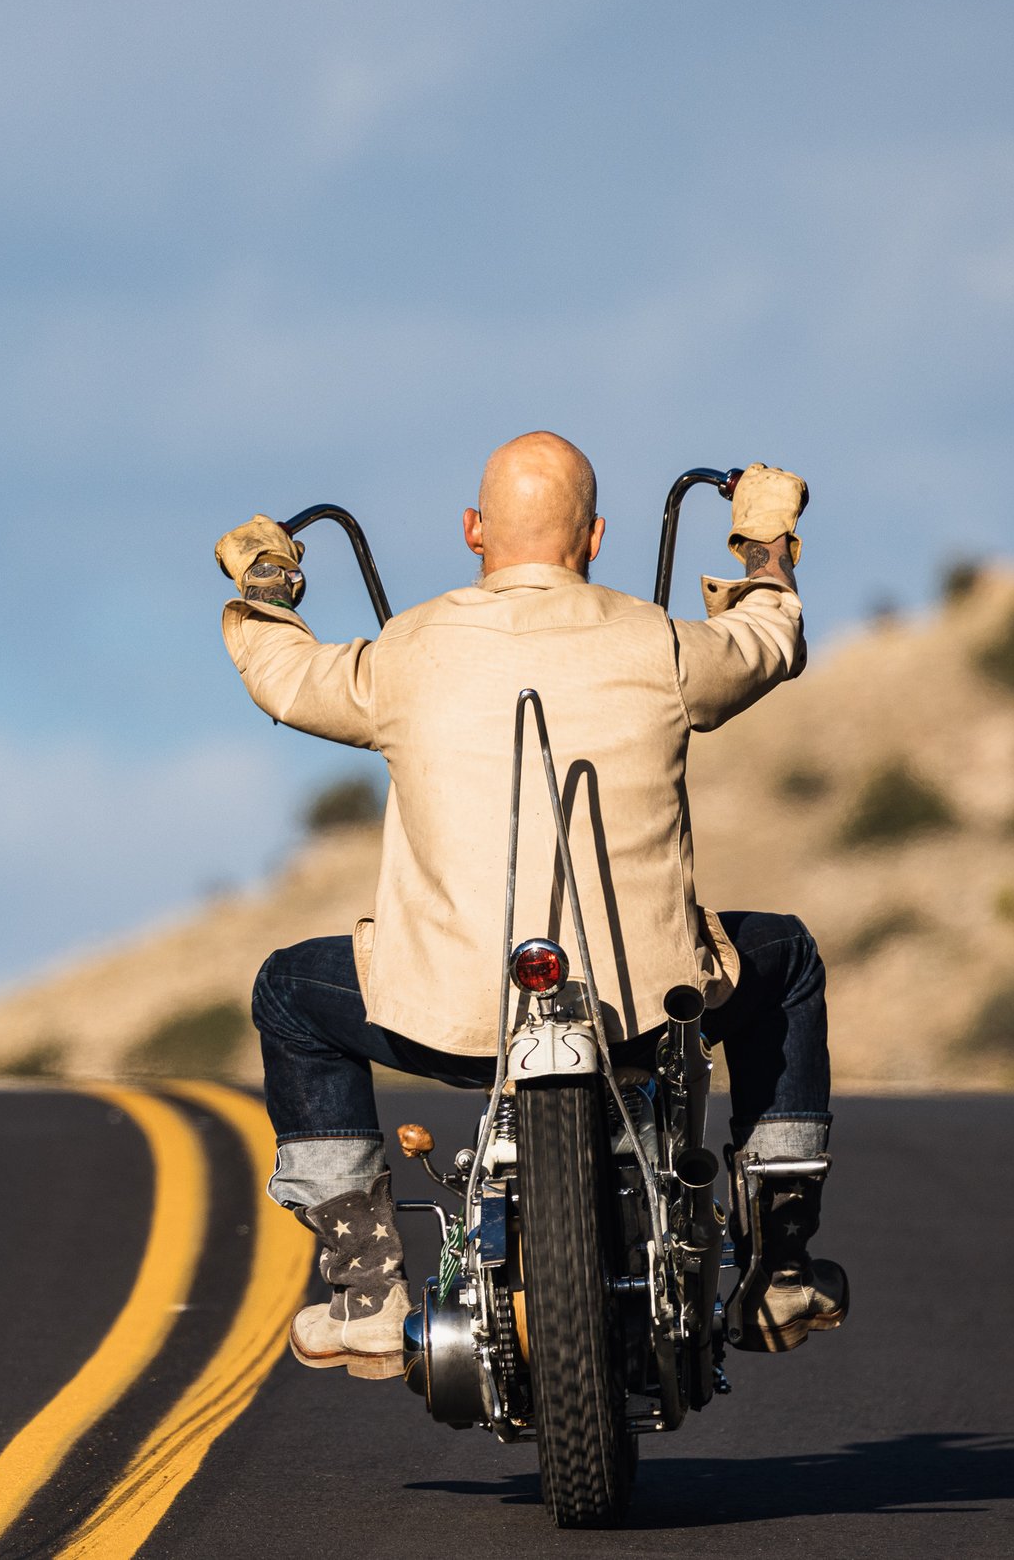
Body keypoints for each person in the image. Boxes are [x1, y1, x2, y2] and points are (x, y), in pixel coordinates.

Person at [214, 432, 847, 1380]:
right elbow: (768, 640)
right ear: (594, 536)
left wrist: (266, 584)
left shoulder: (406, 652)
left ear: (474, 531)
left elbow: (284, 675)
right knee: (785, 957)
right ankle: (780, 1265)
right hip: (648, 1012)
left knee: (289, 994)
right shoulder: (662, 643)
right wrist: (762, 548)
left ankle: (368, 1289)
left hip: (451, 1020)